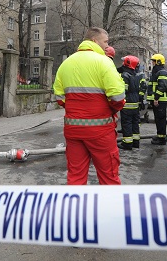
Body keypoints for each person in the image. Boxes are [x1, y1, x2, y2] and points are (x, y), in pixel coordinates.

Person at [53, 27, 126, 185]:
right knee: (109, 177)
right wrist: (110, 109)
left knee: (75, 176)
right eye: (105, 42)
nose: (107, 46)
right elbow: (118, 98)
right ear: (94, 41)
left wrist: (77, 109)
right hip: (101, 131)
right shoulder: (104, 62)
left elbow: (59, 97)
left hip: (73, 130)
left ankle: (76, 202)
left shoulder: (66, 64)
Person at [118, 55, 145, 150]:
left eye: (124, 62)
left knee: (127, 123)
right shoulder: (137, 75)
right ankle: (136, 142)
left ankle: (127, 143)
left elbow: (123, 90)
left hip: (127, 104)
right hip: (136, 104)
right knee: (135, 123)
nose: (122, 63)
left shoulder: (125, 75)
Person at [147, 53, 167, 144]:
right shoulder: (156, 72)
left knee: (160, 119)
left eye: (154, 61)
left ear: (158, 62)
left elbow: (162, 86)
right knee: (158, 119)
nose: (152, 63)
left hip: (160, 100)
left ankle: (162, 139)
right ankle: (160, 135)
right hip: (157, 100)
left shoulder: (162, 72)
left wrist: (156, 98)